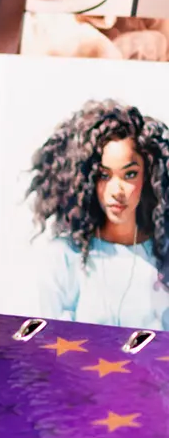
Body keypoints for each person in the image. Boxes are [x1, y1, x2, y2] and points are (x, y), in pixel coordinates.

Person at [27, 100, 169, 329]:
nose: (117, 191)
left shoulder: (162, 255)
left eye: (130, 174)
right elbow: (45, 339)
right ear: (87, 180)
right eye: (104, 175)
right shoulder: (65, 256)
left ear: (149, 176)